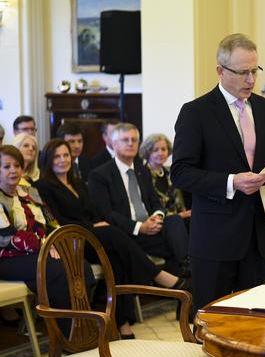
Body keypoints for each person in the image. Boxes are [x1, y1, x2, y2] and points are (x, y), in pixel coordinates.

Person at [171, 33, 265, 315]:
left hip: (258, 236)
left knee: (256, 320)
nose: (251, 79)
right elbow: (180, 173)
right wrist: (231, 182)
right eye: (243, 72)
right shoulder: (196, 112)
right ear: (220, 71)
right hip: (215, 238)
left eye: (255, 71)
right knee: (214, 322)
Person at [36, 139, 190, 339]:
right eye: (57, 156)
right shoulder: (43, 186)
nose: (63, 160)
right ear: (48, 160)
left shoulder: (77, 182)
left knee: (116, 261)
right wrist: (92, 227)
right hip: (72, 240)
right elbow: (55, 221)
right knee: (113, 232)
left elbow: (94, 212)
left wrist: (95, 224)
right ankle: (159, 275)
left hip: (94, 237)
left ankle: (123, 326)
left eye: (66, 155)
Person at [0, 145, 93, 337]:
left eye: (17, 165)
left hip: (37, 251)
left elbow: (51, 221)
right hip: (6, 258)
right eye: (6, 166)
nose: (13, 170)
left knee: (80, 264)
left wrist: (57, 241)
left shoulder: (29, 190)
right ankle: (68, 336)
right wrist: (44, 245)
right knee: (53, 268)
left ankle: (85, 323)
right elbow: (8, 238)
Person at [88, 123, 190, 277]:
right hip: (127, 233)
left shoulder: (143, 171)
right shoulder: (100, 175)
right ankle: (183, 279)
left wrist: (158, 217)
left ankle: (185, 270)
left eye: (134, 140)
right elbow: (107, 214)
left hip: (151, 228)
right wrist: (140, 227)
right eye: (125, 140)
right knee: (175, 245)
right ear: (114, 144)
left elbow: (155, 202)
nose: (130, 143)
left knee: (175, 221)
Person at [139, 134, 190, 220]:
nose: (160, 153)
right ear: (148, 152)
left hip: (178, 218)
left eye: (163, 149)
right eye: (155, 150)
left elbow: (179, 201)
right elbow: (150, 206)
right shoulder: (142, 174)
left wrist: (183, 214)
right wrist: (178, 216)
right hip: (158, 220)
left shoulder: (170, 172)